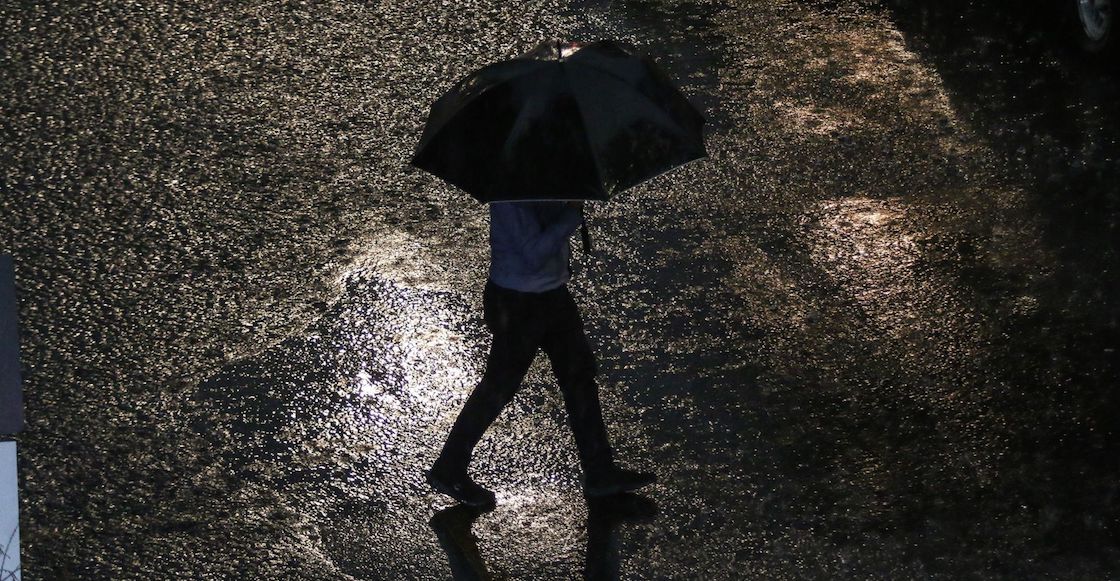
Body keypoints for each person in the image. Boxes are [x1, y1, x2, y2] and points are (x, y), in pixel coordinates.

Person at [426, 200, 655, 508]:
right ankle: (449, 467)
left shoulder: (543, 178)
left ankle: (600, 472)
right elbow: (533, 253)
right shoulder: (511, 194)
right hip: (518, 302)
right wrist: (571, 216)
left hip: (551, 294)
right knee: (499, 387)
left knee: (579, 377)